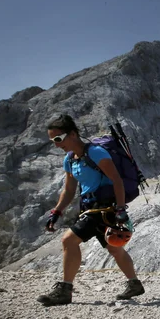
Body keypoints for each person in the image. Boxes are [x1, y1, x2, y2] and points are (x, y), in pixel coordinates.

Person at [37, 113, 145, 306]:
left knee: (68, 241)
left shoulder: (96, 153)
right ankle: (135, 284)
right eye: (52, 140)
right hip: (90, 208)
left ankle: (65, 290)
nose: (56, 144)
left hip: (104, 209)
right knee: (114, 247)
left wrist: (120, 209)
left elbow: (117, 180)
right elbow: (69, 190)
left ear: (72, 134)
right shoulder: (69, 160)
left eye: (58, 139)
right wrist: (57, 211)